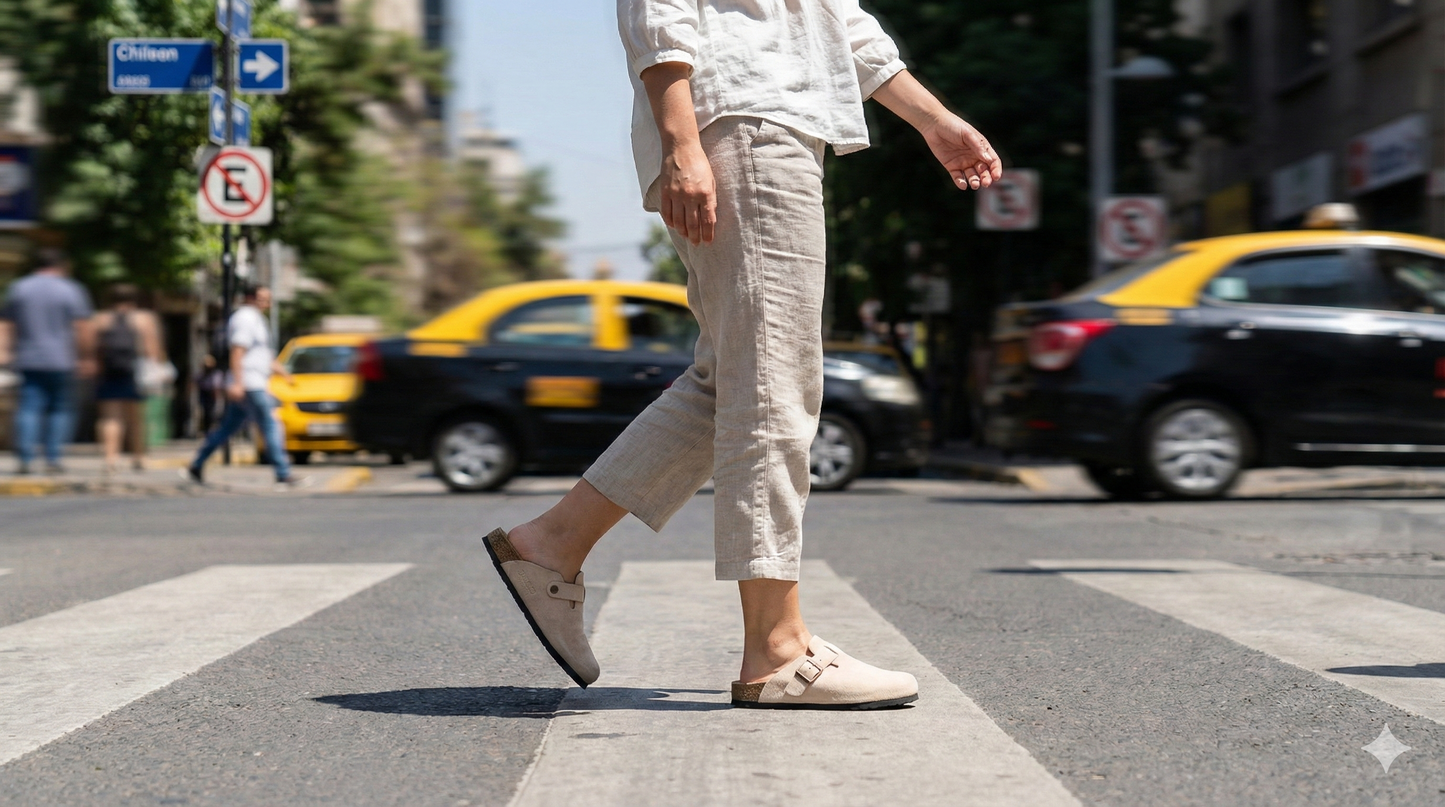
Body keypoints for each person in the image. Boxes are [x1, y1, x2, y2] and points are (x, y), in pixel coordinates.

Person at [484, 0, 1001, 709]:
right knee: (772, 384)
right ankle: (777, 648)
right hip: (747, 123)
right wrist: (680, 142)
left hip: (768, 124)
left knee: (731, 381)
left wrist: (933, 120)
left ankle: (551, 545)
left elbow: (834, 17)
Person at [184, 285, 303, 489]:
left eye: (268, 299)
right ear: (249, 298)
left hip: (252, 382)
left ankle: (197, 464)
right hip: (249, 383)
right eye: (262, 299)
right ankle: (283, 473)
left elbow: (262, 356)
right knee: (271, 423)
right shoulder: (245, 318)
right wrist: (238, 383)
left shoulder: (257, 319)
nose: (267, 303)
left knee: (228, 427)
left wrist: (284, 374)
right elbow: (237, 351)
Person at [0, 248, 95, 475]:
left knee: (28, 407)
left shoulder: (19, 288)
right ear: (62, 264)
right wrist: (86, 357)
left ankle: (25, 457)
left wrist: (4, 350)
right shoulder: (71, 289)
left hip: (28, 357)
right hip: (62, 358)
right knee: (60, 409)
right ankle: (54, 458)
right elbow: (82, 326)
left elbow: (6, 322)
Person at [91, 284, 166, 473]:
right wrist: (157, 369)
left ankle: (110, 459)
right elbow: (152, 348)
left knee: (110, 417)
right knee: (136, 418)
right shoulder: (144, 318)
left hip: (109, 372)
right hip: (135, 373)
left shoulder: (100, 319)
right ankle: (139, 457)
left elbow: (93, 348)